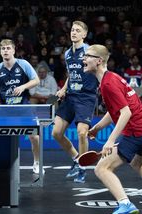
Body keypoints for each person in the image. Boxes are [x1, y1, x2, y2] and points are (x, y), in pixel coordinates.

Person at [83, 44, 142, 214]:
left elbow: (125, 113)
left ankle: (125, 204)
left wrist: (110, 140)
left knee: (101, 168)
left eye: (87, 56)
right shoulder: (111, 78)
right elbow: (114, 111)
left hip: (137, 132)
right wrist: (97, 128)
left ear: (99, 61)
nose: (83, 59)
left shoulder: (108, 84)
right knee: (138, 164)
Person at [52, 21, 99, 183]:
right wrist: (64, 88)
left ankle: (82, 167)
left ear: (84, 35)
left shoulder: (89, 51)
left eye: (78, 30)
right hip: (70, 96)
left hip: (86, 97)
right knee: (56, 133)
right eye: (72, 30)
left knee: (81, 132)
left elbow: (100, 68)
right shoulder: (67, 53)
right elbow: (71, 74)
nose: (74, 33)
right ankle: (76, 157)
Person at [0, 39, 42, 174]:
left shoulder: (23, 64)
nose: (6, 51)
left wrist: (23, 86)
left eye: (8, 48)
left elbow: (36, 80)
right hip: (5, 108)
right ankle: (1, 163)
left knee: (35, 136)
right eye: (3, 49)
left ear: (13, 50)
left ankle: (37, 162)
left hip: (23, 106)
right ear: (1, 52)